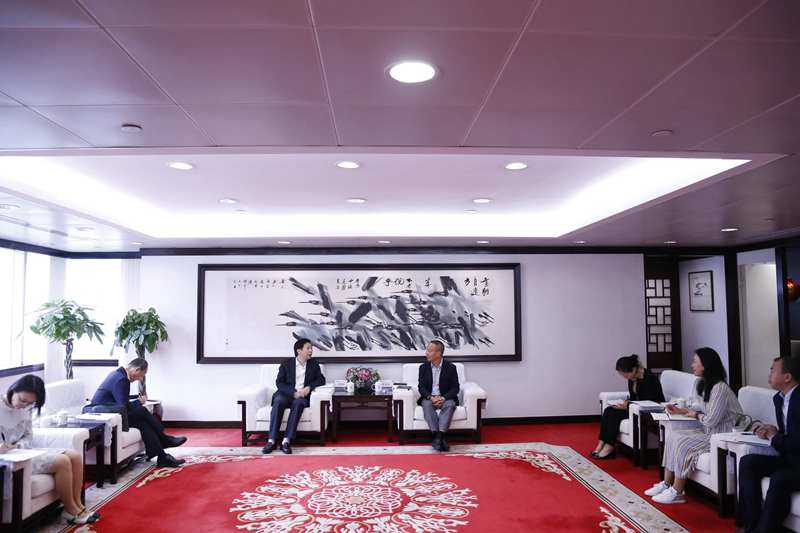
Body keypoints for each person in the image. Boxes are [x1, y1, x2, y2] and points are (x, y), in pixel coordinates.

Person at [644, 347, 743, 504]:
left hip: (722, 436)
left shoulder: (720, 388)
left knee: (682, 442)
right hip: (709, 431)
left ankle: (677, 491)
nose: (692, 365)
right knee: (673, 436)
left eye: (695, 362)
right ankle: (666, 483)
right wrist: (681, 410)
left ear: (706, 365)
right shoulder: (703, 383)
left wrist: (695, 415)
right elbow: (697, 405)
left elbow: (711, 420)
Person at [0, 375, 99, 525]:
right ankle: (71, 510)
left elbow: (28, 435)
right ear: (13, 390)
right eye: (22, 400)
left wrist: (18, 445)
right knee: (62, 461)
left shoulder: (26, 408)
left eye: (30, 403)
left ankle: (78, 505)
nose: (24, 405)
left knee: (75, 456)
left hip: (24, 451)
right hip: (9, 459)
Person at [737, 355, 800, 533]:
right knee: (748, 462)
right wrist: (771, 431)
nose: (769, 373)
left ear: (787, 377)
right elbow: (790, 433)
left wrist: (774, 437)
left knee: (780, 478)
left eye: (773, 370)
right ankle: (750, 525)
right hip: (790, 458)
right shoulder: (779, 398)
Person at [89, 358, 186, 468]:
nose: (140, 379)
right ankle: (164, 439)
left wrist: (136, 399)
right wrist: (139, 401)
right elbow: (124, 406)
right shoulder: (122, 379)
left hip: (112, 412)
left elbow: (120, 400)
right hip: (107, 416)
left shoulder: (118, 374)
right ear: (136, 370)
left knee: (143, 424)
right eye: (141, 375)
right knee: (141, 411)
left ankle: (162, 456)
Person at [592, 354, 665, 459]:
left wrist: (628, 405)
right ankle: (601, 444)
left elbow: (649, 401)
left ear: (634, 369)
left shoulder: (649, 378)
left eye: (625, 373)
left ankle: (610, 446)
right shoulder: (632, 379)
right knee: (609, 410)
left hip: (648, 410)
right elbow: (634, 397)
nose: (624, 376)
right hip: (635, 408)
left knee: (614, 415)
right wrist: (626, 403)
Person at [262, 338, 325, 455]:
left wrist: (308, 388)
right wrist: (293, 392)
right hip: (286, 394)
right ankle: (271, 440)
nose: (311, 350)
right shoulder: (286, 364)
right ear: (299, 351)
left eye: (311, 348)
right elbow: (279, 383)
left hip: (302, 396)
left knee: (298, 403)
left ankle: (286, 441)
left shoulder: (313, 364)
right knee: (278, 401)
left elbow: (321, 379)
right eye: (308, 348)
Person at [418, 339, 460, 452]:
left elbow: (455, 388)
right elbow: (421, 387)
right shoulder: (423, 367)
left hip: (445, 398)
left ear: (438, 353)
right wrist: (431, 397)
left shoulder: (451, 367)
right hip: (429, 398)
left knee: (450, 405)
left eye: (429, 351)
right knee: (427, 405)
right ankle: (439, 438)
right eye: (427, 350)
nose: (426, 353)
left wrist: (443, 398)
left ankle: (438, 437)